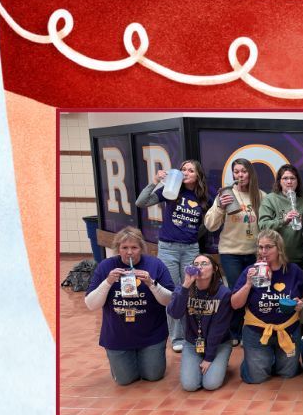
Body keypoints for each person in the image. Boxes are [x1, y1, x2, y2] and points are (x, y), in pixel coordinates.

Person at [134, 159, 209, 353]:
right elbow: (141, 202)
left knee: (191, 291)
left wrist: (192, 234)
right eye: (183, 169)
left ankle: (193, 333)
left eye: (190, 170)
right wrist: (155, 182)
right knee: (174, 292)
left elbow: (209, 222)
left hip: (191, 249)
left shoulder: (204, 196)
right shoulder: (172, 190)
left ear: (198, 175)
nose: (185, 172)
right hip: (168, 248)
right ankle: (177, 337)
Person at [84, 227, 174, 386]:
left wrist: (151, 283)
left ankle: (146, 356)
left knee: (153, 376)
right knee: (125, 380)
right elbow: (91, 304)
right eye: (124, 248)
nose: (129, 252)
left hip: (151, 334)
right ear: (117, 249)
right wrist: (108, 282)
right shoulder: (106, 266)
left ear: (142, 248)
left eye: (134, 247)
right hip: (118, 336)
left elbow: (170, 300)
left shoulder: (155, 265)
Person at [230, 230, 303, 383]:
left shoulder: (294, 271)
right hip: (257, 331)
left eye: (268, 247)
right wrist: (248, 284)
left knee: (288, 374)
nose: (263, 252)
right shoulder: (251, 270)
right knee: (256, 378)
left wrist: (302, 303)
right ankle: (254, 361)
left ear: (279, 248)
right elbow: (235, 304)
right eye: (260, 247)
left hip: (287, 329)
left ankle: (298, 347)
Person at [204, 157, 265, 346]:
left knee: (257, 290)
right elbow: (210, 225)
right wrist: (221, 206)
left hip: (255, 253)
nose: (240, 175)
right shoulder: (225, 194)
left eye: (244, 171)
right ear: (233, 174)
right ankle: (234, 332)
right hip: (231, 253)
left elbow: (265, 226)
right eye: (237, 171)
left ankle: (253, 330)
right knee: (236, 292)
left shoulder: (261, 196)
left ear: (250, 174)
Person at [166, 253, 233, 391]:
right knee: (189, 386)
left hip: (219, 343)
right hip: (192, 343)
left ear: (214, 269)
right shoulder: (183, 288)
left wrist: (209, 358)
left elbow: (218, 329)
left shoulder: (224, 293)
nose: (199, 267)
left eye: (204, 264)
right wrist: (185, 286)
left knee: (210, 384)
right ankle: (208, 365)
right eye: (196, 264)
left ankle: (221, 361)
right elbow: (174, 313)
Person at [259, 164, 303, 267]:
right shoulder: (270, 199)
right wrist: (283, 220)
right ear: (279, 181)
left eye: (292, 178)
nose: (289, 181)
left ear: (297, 181)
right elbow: (263, 225)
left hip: (298, 257)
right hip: (276, 257)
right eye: (285, 178)